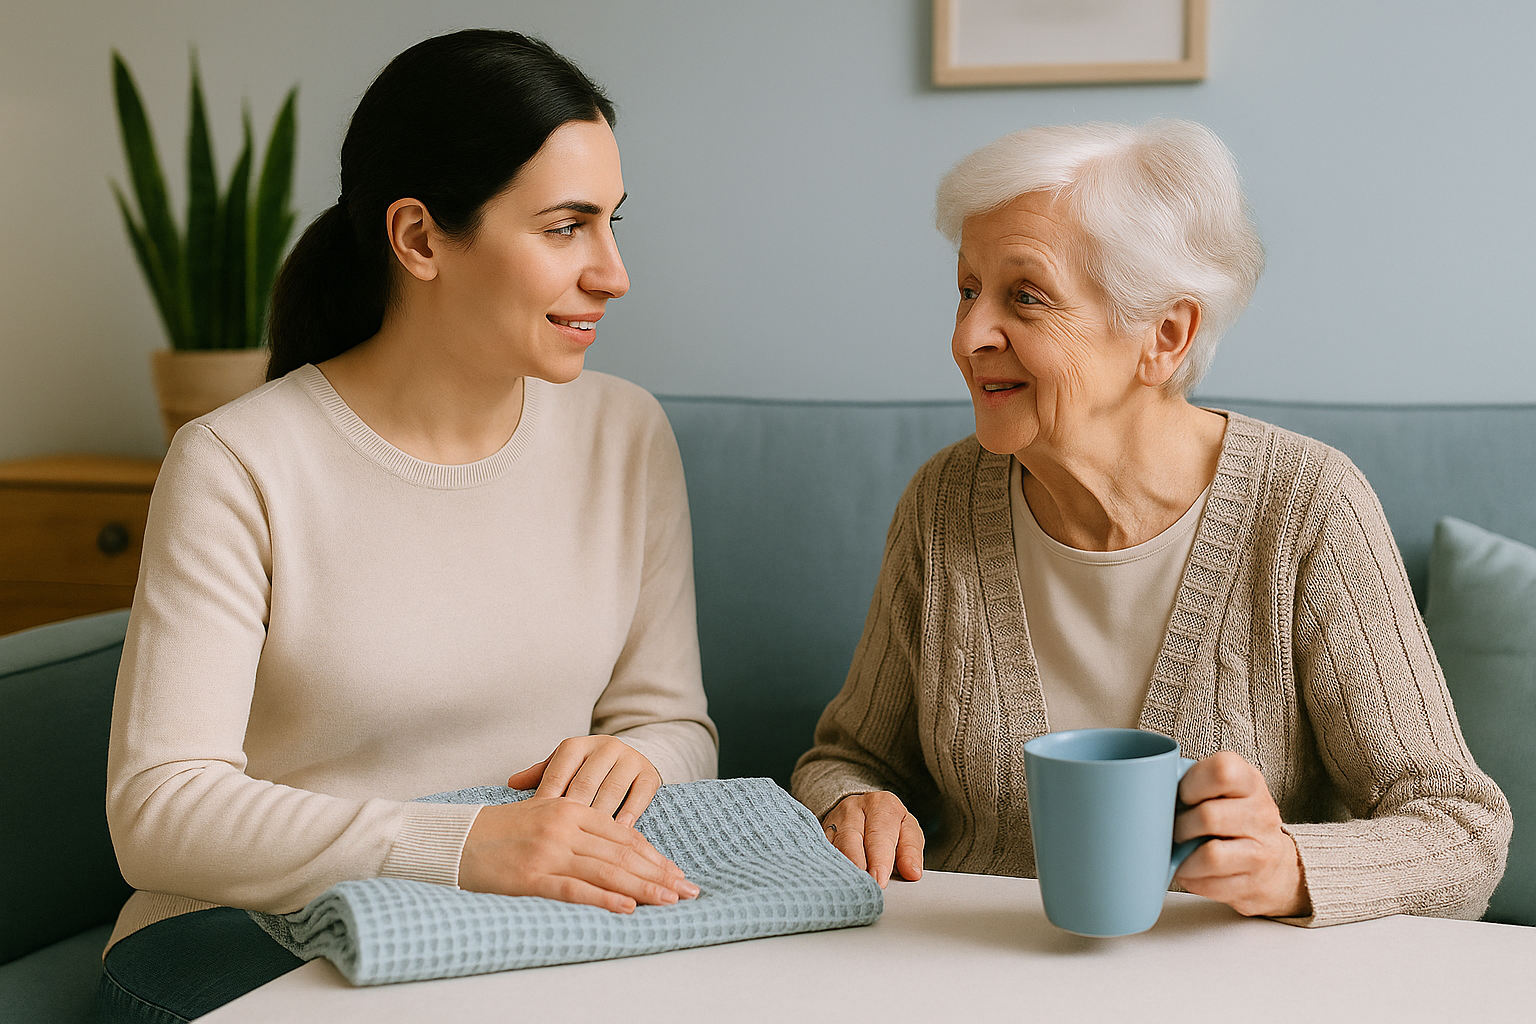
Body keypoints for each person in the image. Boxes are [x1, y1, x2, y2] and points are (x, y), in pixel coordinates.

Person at [100, 29, 716, 1021]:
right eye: (565, 227)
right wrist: (463, 845)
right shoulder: (238, 462)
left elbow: (673, 722)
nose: (613, 272)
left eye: (611, 223)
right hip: (244, 928)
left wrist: (640, 758)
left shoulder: (625, 434)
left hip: (513, 924)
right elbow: (160, 811)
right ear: (420, 238)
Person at [791, 119, 1511, 926]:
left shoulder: (1305, 505)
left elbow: (1462, 831)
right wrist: (852, 803)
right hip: (979, 971)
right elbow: (849, 758)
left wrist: (1289, 867)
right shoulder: (947, 500)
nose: (967, 337)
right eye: (967, 290)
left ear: (1165, 336)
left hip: (1225, 985)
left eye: (1024, 296)